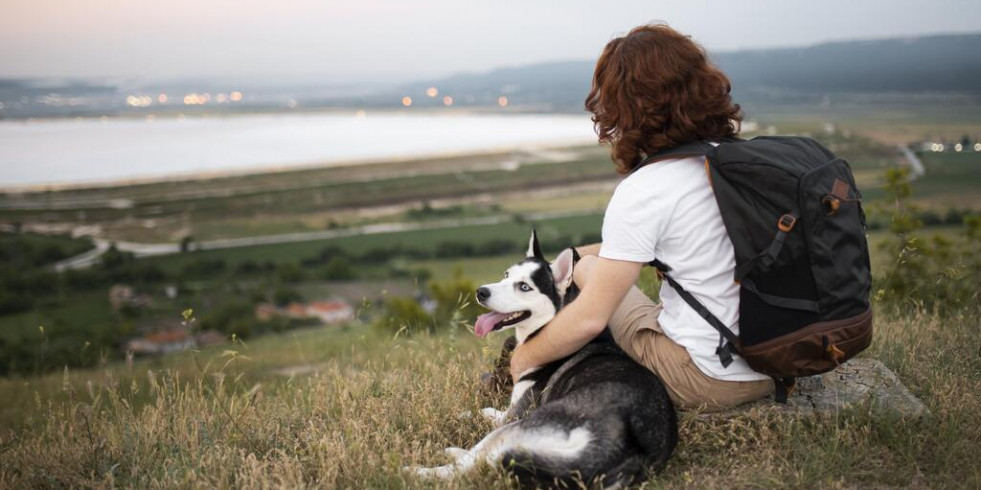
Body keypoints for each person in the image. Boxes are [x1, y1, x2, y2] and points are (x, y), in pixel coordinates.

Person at [508, 24, 773, 412]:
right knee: (583, 260)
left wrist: (522, 359)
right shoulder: (736, 160)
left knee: (585, 272)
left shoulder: (647, 188)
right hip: (779, 362)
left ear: (622, 107)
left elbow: (589, 321)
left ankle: (525, 374)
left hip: (709, 379)